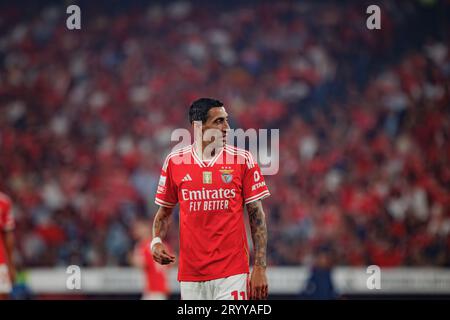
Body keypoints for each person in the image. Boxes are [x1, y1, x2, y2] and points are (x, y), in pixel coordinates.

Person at [151, 98, 270, 300]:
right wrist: (156, 241)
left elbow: (257, 217)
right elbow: (164, 213)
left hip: (232, 272)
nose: (227, 128)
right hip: (191, 276)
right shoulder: (175, 162)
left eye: (226, 121)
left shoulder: (242, 160)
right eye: (219, 121)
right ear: (198, 126)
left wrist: (259, 267)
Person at [130, 219, 171, 300]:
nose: (137, 231)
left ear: (146, 228)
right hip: (162, 289)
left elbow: (142, 264)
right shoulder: (162, 244)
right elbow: (172, 262)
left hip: (153, 291)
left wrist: (130, 258)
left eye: (139, 228)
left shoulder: (144, 246)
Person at [0, 192, 16, 300]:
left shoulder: (4, 201)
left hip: (0, 261)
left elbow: (8, 235)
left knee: (3, 294)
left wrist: (10, 265)